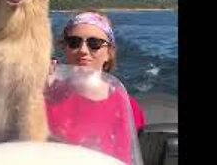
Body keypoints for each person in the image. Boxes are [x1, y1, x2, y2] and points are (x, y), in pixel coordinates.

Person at [45, 9, 146, 164]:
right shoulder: (45, 95)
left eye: (94, 44)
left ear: (108, 53)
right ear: (65, 48)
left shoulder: (126, 107)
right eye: (74, 42)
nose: (83, 51)